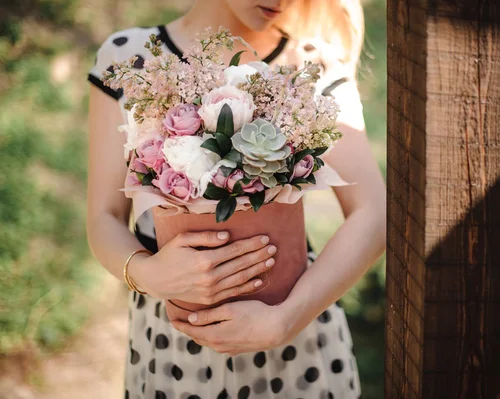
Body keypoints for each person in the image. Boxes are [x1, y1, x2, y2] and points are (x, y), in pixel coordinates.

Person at [86, 0, 386, 397]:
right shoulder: (128, 56)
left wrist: (284, 321)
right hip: (171, 345)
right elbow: (104, 216)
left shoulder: (313, 64)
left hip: (296, 341)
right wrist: (147, 274)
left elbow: (375, 213)